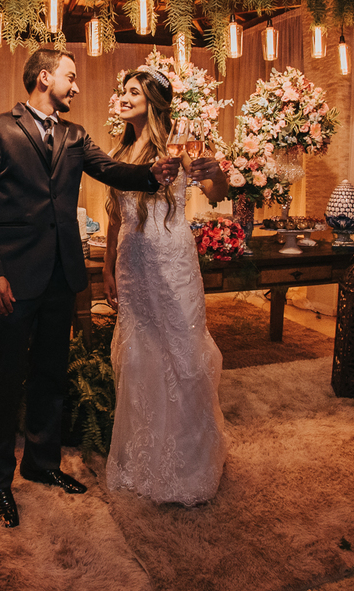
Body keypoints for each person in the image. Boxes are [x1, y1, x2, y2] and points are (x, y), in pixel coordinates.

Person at [0, 49, 179, 528]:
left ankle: (41, 464)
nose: (77, 86)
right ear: (45, 78)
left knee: (51, 372)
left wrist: (152, 174)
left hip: (63, 274)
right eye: (70, 77)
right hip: (13, 278)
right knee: (5, 378)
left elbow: (111, 170)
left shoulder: (76, 136)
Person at [103, 67, 229, 506]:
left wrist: (216, 171)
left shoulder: (179, 142)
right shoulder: (120, 148)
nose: (125, 96)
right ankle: (143, 459)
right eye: (124, 90)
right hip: (132, 263)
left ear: (153, 100)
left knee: (183, 354)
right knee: (139, 356)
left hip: (171, 258)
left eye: (134, 90)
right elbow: (115, 216)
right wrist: (107, 267)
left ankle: (189, 463)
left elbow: (215, 192)